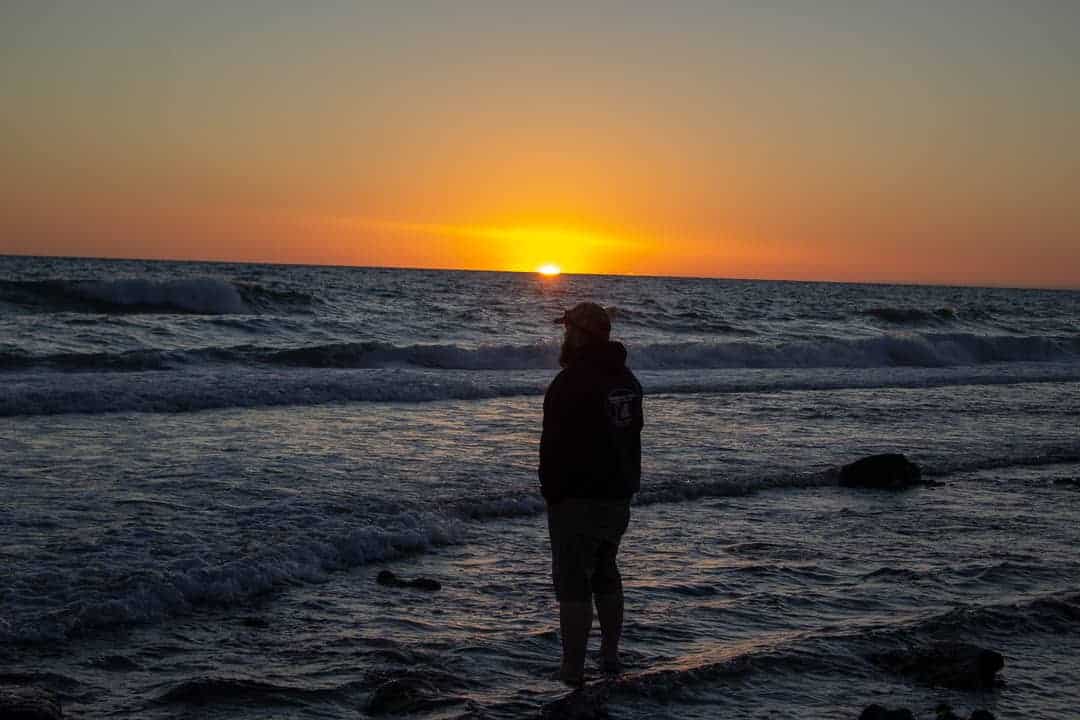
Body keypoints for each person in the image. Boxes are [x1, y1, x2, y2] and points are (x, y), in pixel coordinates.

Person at [540, 301, 644, 687]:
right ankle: (610, 656)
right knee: (605, 572)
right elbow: (632, 438)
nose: (563, 337)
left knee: (573, 582)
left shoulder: (571, 382)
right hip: (618, 496)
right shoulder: (627, 381)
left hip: (578, 498)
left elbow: (553, 446)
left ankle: (572, 670)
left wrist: (552, 493)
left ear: (581, 335)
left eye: (567, 331)